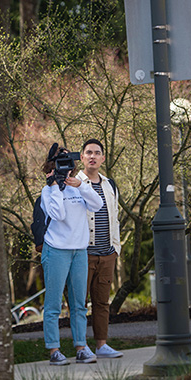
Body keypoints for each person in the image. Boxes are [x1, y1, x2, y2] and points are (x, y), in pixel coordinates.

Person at [39, 144, 103, 365]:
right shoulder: (47, 191)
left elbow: (97, 204)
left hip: (79, 251)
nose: (67, 166)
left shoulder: (78, 187)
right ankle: (54, 350)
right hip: (56, 250)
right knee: (54, 303)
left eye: (69, 161)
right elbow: (57, 214)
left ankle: (81, 347)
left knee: (79, 304)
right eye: (61, 161)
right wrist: (55, 186)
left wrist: (82, 186)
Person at [78, 138, 123, 358]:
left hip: (107, 255)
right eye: (89, 152)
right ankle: (81, 345)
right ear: (82, 157)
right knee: (79, 302)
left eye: (97, 153)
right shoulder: (73, 183)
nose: (93, 156)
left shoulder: (109, 184)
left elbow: (115, 219)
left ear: (103, 158)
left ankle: (101, 344)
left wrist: (116, 248)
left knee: (102, 302)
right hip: (83, 255)